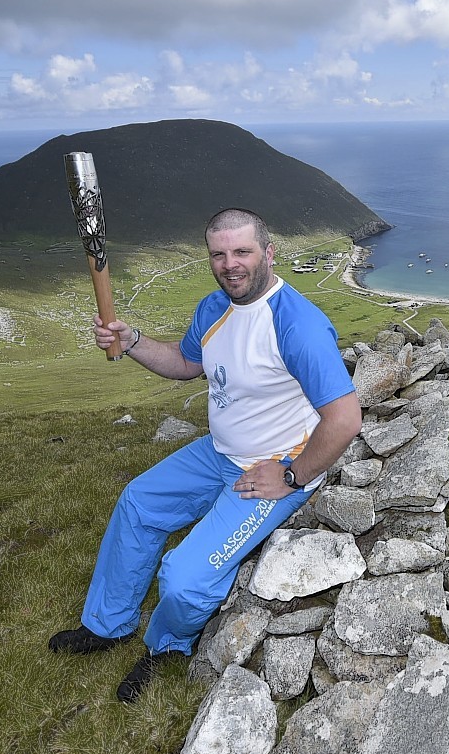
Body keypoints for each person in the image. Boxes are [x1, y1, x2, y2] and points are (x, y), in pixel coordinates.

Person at [48, 207, 362, 703]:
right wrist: (131, 341)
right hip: (219, 453)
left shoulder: (298, 325)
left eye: (242, 251)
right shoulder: (214, 307)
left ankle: (168, 648)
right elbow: (186, 362)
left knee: (182, 577)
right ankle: (109, 625)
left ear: (268, 252)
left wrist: (292, 475)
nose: (230, 263)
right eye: (219, 253)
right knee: (138, 502)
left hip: (270, 467)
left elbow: (345, 419)